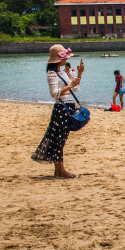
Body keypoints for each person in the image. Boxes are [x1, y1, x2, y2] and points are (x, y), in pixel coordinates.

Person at [32, 44, 84, 179]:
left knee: (62, 139)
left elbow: (75, 89)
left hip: (68, 107)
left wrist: (79, 74)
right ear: (58, 59)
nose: (66, 60)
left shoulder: (61, 73)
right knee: (59, 140)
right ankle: (60, 170)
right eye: (64, 57)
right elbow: (54, 94)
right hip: (61, 108)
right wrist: (70, 86)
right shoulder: (51, 74)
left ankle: (59, 170)